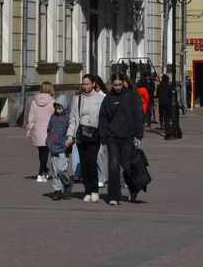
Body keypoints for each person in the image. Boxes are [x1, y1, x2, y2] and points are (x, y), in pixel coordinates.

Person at [99, 72, 144, 205]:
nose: (117, 87)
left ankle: (133, 188)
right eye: (115, 85)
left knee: (127, 165)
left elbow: (137, 116)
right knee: (113, 167)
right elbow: (103, 119)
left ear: (123, 83)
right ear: (111, 84)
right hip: (112, 137)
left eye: (119, 84)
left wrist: (139, 135)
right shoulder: (108, 98)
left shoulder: (130, 96)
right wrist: (103, 138)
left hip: (128, 137)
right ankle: (113, 196)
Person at [65, 73, 106, 203]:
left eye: (87, 84)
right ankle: (87, 191)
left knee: (91, 162)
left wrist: (104, 136)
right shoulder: (77, 99)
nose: (85, 86)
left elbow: (104, 119)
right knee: (83, 165)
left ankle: (95, 191)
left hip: (94, 135)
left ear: (93, 84)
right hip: (81, 135)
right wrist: (70, 136)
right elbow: (72, 119)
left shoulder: (100, 99)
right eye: (83, 84)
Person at [25, 80, 56, 183]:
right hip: (48, 130)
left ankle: (44, 170)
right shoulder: (52, 102)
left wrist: (29, 130)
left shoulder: (34, 102)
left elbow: (31, 118)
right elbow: (55, 117)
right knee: (45, 153)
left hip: (38, 129)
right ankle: (40, 174)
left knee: (41, 152)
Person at [46, 95, 73, 200]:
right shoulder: (53, 116)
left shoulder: (68, 117)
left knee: (61, 169)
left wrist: (70, 140)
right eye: (56, 108)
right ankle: (57, 190)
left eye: (60, 108)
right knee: (55, 171)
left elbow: (72, 130)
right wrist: (48, 140)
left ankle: (67, 183)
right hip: (53, 146)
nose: (58, 110)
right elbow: (49, 129)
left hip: (63, 147)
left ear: (64, 106)